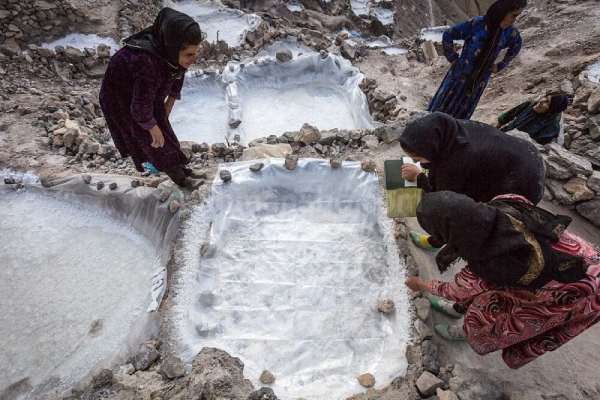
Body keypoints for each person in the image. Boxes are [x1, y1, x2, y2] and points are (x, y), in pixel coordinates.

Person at [405, 191, 600, 369]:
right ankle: (456, 310)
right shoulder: (506, 202)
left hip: (568, 289)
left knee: (492, 310)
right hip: (583, 258)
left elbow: (456, 290)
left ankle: (466, 332)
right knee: (487, 291)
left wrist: (420, 284)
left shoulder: (490, 261)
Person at [400, 112, 545, 250]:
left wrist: (419, 177)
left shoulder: (458, 162)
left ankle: (437, 242)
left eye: (417, 159)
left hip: (522, 182)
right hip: (521, 155)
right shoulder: (450, 131)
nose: (414, 162)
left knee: (468, 216)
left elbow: (445, 201)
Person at [100, 8, 204, 188]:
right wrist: (152, 126)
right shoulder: (146, 62)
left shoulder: (170, 53)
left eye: (196, 53)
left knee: (166, 131)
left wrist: (170, 100)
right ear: (174, 48)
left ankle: (181, 167)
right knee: (154, 141)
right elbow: (138, 108)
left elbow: (179, 72)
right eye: (189, 54)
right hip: (122, 97)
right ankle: (181, 179)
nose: (193, 59)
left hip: (146, 92)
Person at [428, 0, 526, 119]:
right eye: (513, 15)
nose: (514, 20)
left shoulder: (509, 33)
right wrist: (453, 58)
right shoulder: (478, 24)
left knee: (460, 116)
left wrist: (500, 65)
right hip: (459, 76)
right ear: (502, 12)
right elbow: (449, 34)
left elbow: (516, 46)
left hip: (478, 82)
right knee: (441, 109)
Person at [497, 93, 570, 144]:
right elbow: (509, 114)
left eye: (547, 102)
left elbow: (537, 145)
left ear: (551, 111)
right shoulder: (530, 104)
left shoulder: (552, 127)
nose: (541, 101)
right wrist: (498, 126)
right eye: (545, 98)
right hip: (504, 133)